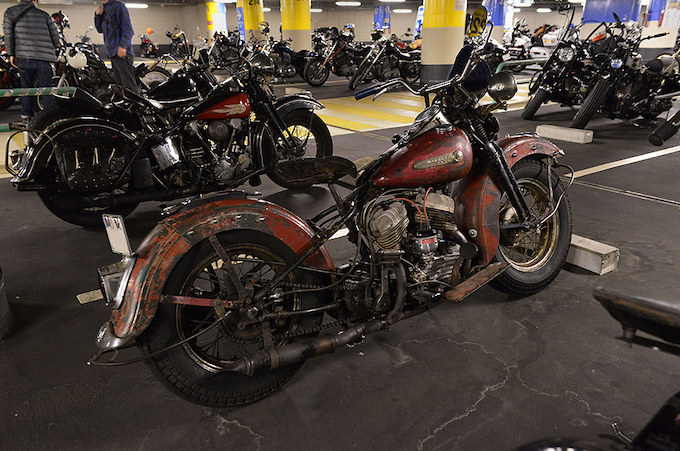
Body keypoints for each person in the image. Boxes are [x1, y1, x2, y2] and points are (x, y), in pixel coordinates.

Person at [3, 0, 60, 120]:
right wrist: (53, 48)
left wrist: (11, 54)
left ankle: (27, 117)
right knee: (46, 90)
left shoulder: (10, 12)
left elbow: (8, 35)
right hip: (44, 58)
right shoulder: (44, 15)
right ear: (34, 1)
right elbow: (55, 36)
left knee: (26, 88)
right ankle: (49, 119)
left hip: (24, 57)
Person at [94, 0, 139, 93]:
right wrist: (97, 15)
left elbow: (128, 29)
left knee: (129, 87)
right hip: (113, 53)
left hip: (121, 53)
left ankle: (137, 102)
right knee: (120, 87)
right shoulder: (105, 8)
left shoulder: (118, 6)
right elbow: (100, 29)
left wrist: (123, 46)